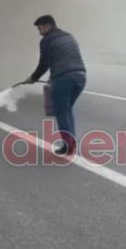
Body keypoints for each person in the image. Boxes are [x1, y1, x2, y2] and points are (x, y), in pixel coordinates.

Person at [21, 15, 86, 155]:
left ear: (48, 26)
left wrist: (33, 78)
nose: (39, 32)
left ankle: (68, 146)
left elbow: (44, 63)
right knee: (67, 110)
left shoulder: (46, 40)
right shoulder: (69, 36)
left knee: (61, 112)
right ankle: (71, 142)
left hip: (63, 79)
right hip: (81, 77)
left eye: (40, 28)